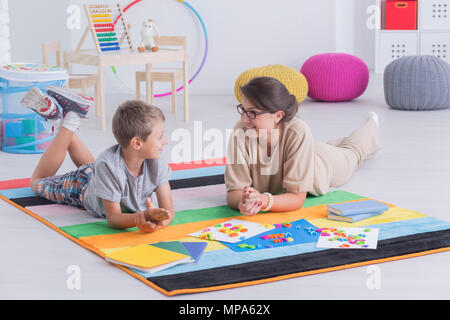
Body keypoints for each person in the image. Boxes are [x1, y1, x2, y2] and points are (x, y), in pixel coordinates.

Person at [21, 87, 173, 233]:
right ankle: (71, 118)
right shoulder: (109, 166)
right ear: (137, 143)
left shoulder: (155, 161)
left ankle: (57, 118)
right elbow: (113, 218)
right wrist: (142, 218)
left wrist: (160, 222)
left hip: (99, 173)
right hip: (82, 185)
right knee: (36, 182)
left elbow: (168, 211)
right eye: (160, 137)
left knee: (96, 166)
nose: (165, 141)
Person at [225, 77, 381, 216]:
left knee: (353, 151)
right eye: (243, 110)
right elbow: (234, 192)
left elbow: (296, 198)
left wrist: (263, 201)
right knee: (326, 146)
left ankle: (372, 124)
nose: (244, 119)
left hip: (320, 165)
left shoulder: (298, 132)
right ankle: (332, 144)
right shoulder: (241, 131)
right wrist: (244, 202)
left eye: (252, 113)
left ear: (278, 116)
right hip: (304, 150)